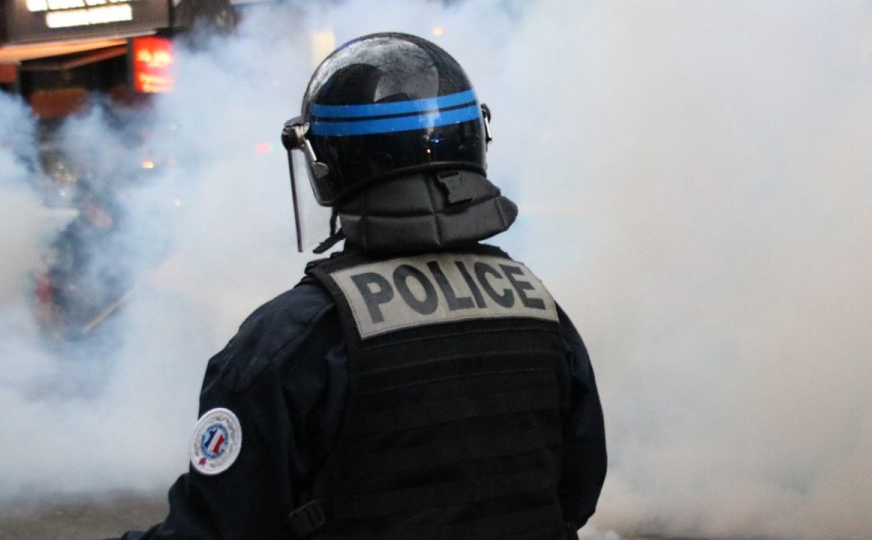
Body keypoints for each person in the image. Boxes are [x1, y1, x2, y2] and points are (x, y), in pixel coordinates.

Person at [114, 32, 606, 540]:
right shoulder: (539, 309)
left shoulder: (289, 341)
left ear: (327, 162)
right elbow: (577, 491)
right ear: (474, 140)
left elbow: (218, 528)